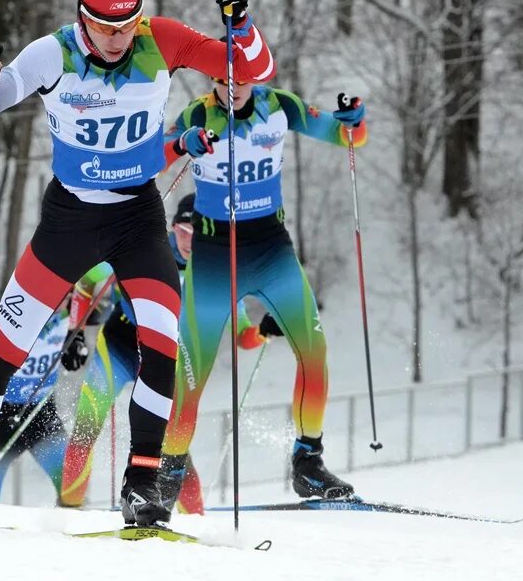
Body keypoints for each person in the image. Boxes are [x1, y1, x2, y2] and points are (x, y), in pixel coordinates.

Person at [0, 0, 275, 527]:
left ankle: (142, 484)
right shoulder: (52, 53)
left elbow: (253, 70)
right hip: (69, 220)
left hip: (137, 219)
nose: (119, 39)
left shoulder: (162, 40)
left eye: (128, 27)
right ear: (83, 19)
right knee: (6, 348)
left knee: (162, 343)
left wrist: (240, 23)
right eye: (106, 28)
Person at [157, 75, 368, 509]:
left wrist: (354, 121)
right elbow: (154, 159)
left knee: (314, 353)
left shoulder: (280, 105)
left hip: (272, 251)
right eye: (222, 78)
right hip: (214, 257)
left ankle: (309, 464)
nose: (232, 86)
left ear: (257, 77)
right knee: (190, 377)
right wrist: (182, 145)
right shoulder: (198, 113)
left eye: (242, 78)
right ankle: (166, 476)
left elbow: (348, 136)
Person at [58, 194, 277, 509]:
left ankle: (192, 521)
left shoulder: (217, 272)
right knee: (85, 427)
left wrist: (263, 332)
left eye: (196, 233)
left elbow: (243, 336)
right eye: (182, 231)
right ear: (172, 228)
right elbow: (86, 281)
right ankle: (67, 512)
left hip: (165, 361)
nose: (188, 240)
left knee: (173, 448)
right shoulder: (142, 247)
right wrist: (75, 333)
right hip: (120, 345)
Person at [0, 291, 91, 504]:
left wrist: (76, 347)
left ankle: (68, 524)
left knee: (73, 483)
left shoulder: (69, 316)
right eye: (58, 295)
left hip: (41, 414)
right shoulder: (24, 313)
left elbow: (74, 357)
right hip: (1, 417)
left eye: (67, 296)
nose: (61, 303)